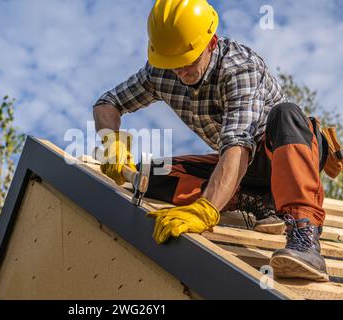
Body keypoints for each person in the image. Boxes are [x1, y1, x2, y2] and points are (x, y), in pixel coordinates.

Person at [92, 0, 330, 281]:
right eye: (172, 64)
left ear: (211, 43)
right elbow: (108, 103)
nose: (180, 72)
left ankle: (304, 237)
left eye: (187, 62)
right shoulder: (162, 71)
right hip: (240, 167)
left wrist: (207, 209)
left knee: (287, 114)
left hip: (281, 153)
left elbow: (238, 144)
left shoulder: (240, 69)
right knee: (149, 175)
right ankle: (255, 199)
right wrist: (111, 141)